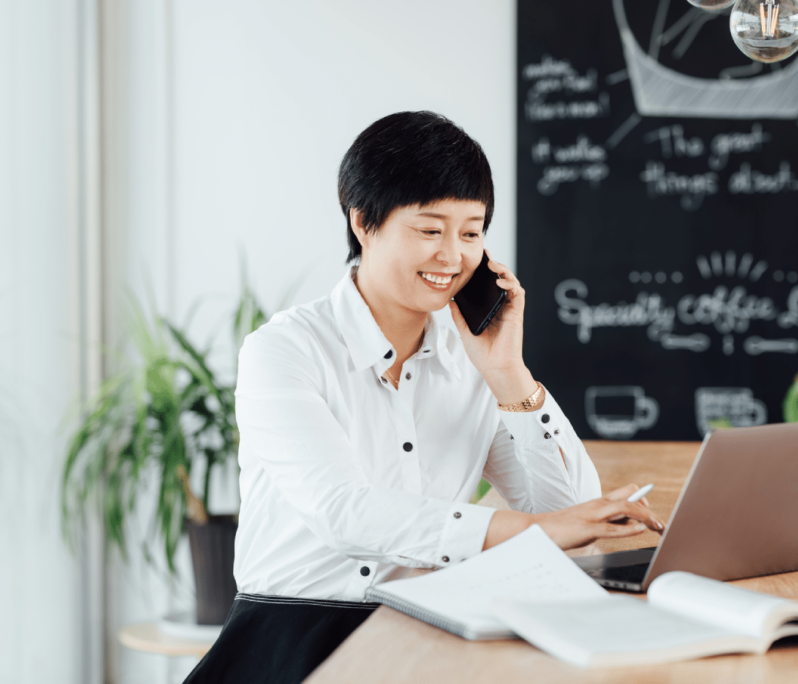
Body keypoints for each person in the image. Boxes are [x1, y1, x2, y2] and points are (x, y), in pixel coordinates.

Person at [183, 111, 664, 684]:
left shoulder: (473, 360)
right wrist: (538, 532)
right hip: (290, 640)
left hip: (426, 639)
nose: (453, 257)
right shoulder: (284, 351)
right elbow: (345, 512)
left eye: (471, 232)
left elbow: (567, 510)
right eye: (430, 230)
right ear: (363, 223)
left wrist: (507, 372)